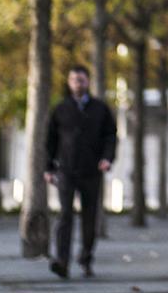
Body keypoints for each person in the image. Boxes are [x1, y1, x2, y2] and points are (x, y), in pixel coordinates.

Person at [44, 65, 117, 279]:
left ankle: (85, 259)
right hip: (65, 170)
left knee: (89, 217)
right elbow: (50, 141)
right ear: (69, 82)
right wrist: (48, 168)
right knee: (65, 215)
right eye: (74, 79)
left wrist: (107, 158)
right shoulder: (61, 109)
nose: (78, 83)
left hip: (92, 170)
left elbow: (111, 136)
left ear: (88, 82)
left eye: (82, 80)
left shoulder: (100, 109)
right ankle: (62, 261)